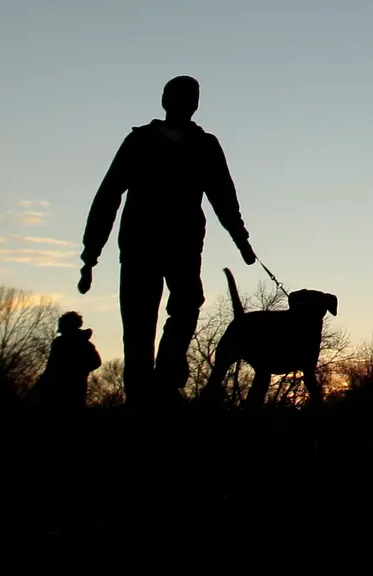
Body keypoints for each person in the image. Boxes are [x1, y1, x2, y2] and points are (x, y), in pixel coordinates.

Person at [77, 75, 257, 409]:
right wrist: (91, 252)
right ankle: (140, 395)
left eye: (192, 96)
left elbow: (223, 196)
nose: (186, 101)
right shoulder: (140, 141)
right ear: (164, 99)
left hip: (184, 244)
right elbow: (109, 194)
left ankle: (167, 377)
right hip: (139, 244)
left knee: (188, 304)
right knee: (138, 320)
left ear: (197, 103)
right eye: (178, 94)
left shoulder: (205, 145)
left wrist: (241, 239)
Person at [33, 311, 103, 411]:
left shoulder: (83, 343)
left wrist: (79, 371)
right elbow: (51, 367)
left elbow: (96, 362)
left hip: (75, 390)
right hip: (56, 390)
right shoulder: (59, 343)